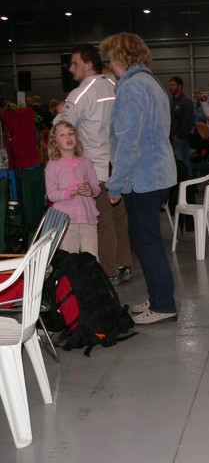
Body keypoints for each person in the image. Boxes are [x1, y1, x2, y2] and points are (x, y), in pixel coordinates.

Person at [99, 32, 178, 325]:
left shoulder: (131, 88)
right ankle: (158, 296)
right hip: (159, 175)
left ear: (119, 57)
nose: (109, 64)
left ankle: (163, 305)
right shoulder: (151, 82)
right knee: (148, 241)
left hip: (143, 179)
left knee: (147, 243)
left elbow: (127, 141)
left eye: (110, 58)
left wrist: (115, 184)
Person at [53, 43, 134, 286]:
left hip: (95, 170)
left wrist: (59, 113)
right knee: (119, 218)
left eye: (74, 63)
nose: (70, 69)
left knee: (102, 221)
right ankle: (124, 263)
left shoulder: (80, 94)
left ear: (88, 65)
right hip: (118, 166)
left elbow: (63, 128)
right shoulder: (114, 85)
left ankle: (109, 271)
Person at [45, 121, 100, 257]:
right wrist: (72, 192)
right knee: (69, 259)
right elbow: (51, 194)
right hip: (66, 220)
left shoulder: (86, 162)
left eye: (71, 133)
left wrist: (90, 190)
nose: (68, 137)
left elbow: (96, 188)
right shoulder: (52, 166)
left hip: (87, 216)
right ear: (55, 142)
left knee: (92, 257)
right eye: (62, 135)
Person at [168, 75, 195, 177]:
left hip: (181, 139)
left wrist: (179, 135)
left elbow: (188, 122)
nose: (170, 87)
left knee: (184, 162)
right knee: (176, 164)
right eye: (169, 85)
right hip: (172, 138)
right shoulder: (172, 102)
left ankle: (189, 184)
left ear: (180, 86)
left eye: (173, 85)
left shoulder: (186, 102)